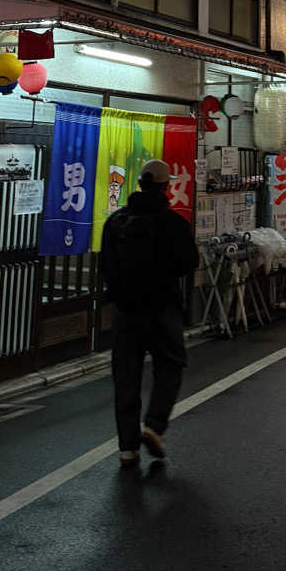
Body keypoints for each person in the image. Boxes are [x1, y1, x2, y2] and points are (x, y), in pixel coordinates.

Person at [101, 158, 198, 467]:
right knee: (170, 365)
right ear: (167, 187)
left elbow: (106, 266)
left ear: (139, 184)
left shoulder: (115, 222)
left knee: (126, 376)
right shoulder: (173, 223)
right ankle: (154, 426)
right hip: (162, 308)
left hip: (126, 311)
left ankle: (127, 448)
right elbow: (189, 262)